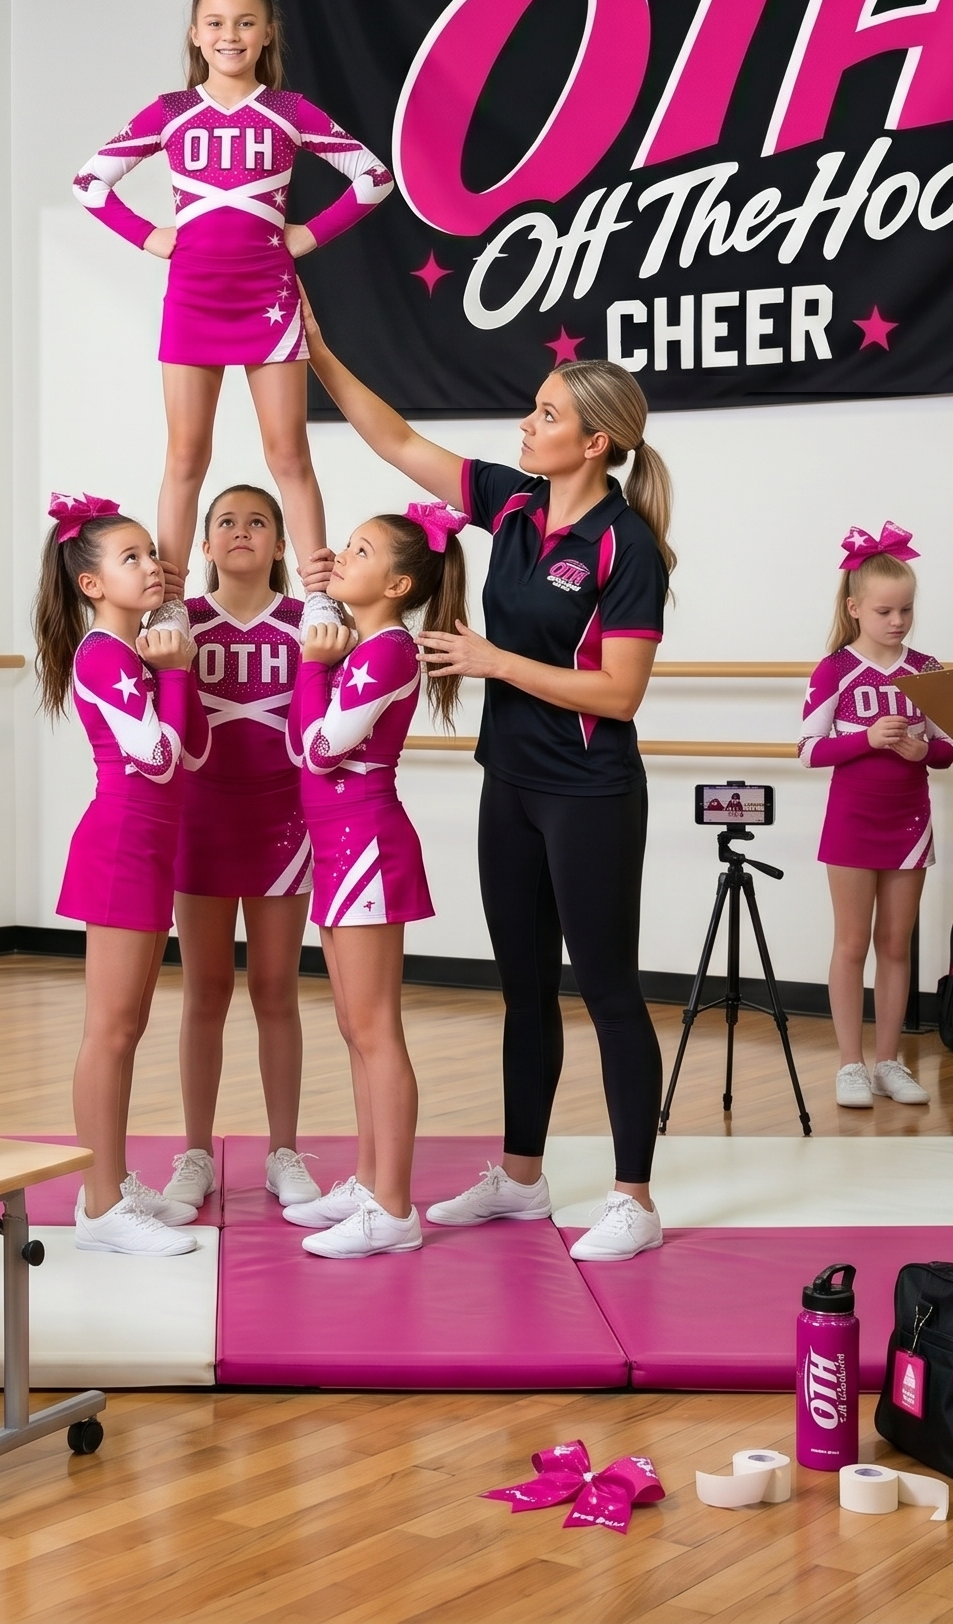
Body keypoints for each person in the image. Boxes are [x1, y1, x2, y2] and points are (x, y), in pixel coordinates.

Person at [304, 306, 671, 1264]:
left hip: (589, 790)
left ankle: (634, 1196)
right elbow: (394, 440)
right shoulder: (510, 501)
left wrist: (495, 661)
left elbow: (621, 692)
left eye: (545, 416)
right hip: (508, 782)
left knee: (609, 989)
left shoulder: (625, 548)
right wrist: (317, 346)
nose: (525, 426)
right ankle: (520, 1175)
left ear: (595, 442)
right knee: (522, 989)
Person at [72, 0, 395, 629]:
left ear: (265, 34)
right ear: (195, 34)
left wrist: (307, 234)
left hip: (267, 297)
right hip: (191, 298)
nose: (230, 35)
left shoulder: (287, 110)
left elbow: (374, 176)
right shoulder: (170, 111)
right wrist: (151, 236)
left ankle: (316, 592)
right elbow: (89, 182)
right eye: (216, 23)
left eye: (245, 23)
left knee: (289, 452)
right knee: (186, 455)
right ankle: (169, 603)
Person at [281, 506, 466, 1259]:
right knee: (354, 1027)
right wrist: (323, 640)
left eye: (359, 550)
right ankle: (367, 1181)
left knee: (377, 1030)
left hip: (364, 845)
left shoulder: (386, 649)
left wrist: (308, 665)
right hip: (340, 845)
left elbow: (315, 748)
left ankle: (393, 1208)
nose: (341, 555)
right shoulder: (365, 642)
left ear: (395, 582)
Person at [35, 492, 207, 1257]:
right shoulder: (104, 653)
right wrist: (170, 675)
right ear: (91, 584)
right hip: (119, 847)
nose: (152, 567)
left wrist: (175, 668)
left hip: (148, 845)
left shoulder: (135, 652)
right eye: (130, 558)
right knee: (108, 1032)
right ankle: (101, 1207)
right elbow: (160, 757)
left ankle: (112, 1178)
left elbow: (191, 751)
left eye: (152, 554)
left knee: (128, 1027)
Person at [158, 485, 319, 1222]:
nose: (242, 532)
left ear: (282, 544)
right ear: (203, 544)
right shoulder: (178, 622)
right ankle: (196, 1152)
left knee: (276, 990)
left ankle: (283, 1151)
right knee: (205, 992)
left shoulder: (307, 622)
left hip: (284, 825)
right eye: (226, 521)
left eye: (259, 522)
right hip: (200, 822)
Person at [799, 524, 953, 1112]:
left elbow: (948, 747)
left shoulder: (928, 668)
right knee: (850, 944)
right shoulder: (834, 669)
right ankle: (850, 1064)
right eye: (885, 610)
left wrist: (922, 751)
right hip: (851, 820)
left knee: (896, 944)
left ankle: (890, 1061)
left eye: (907, 609)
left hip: (910, 821)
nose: (898, 621)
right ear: (855, 608)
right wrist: (866, 738)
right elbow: (809, 750)